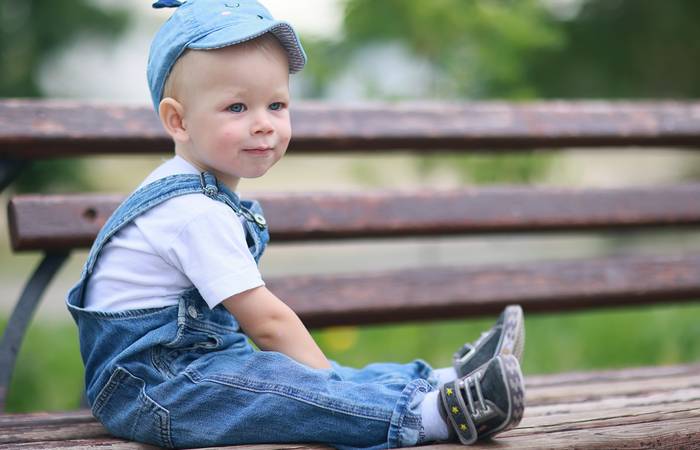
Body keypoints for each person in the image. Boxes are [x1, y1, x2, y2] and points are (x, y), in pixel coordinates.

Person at [66, 0, 526, 448]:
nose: (264, 124)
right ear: (178, 120)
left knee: (288, 377)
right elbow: (267, 323)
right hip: (156, 391)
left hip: (187, 372)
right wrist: (330, 389)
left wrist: (326, 380)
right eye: (237, 108)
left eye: (277, 105)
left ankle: (446, 378)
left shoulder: (198, 191)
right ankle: (438, 414)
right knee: (295, 390)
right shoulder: (193, 212)